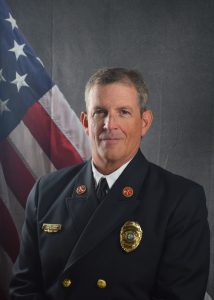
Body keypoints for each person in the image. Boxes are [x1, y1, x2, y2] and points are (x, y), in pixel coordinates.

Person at [10, 68, 210, 300]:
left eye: (123, 112)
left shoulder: (180, 199)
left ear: (144, 122)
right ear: (85, 122)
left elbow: (179, 297)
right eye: (100, 112)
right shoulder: (47, 192)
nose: (109, 124)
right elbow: (23, 288)